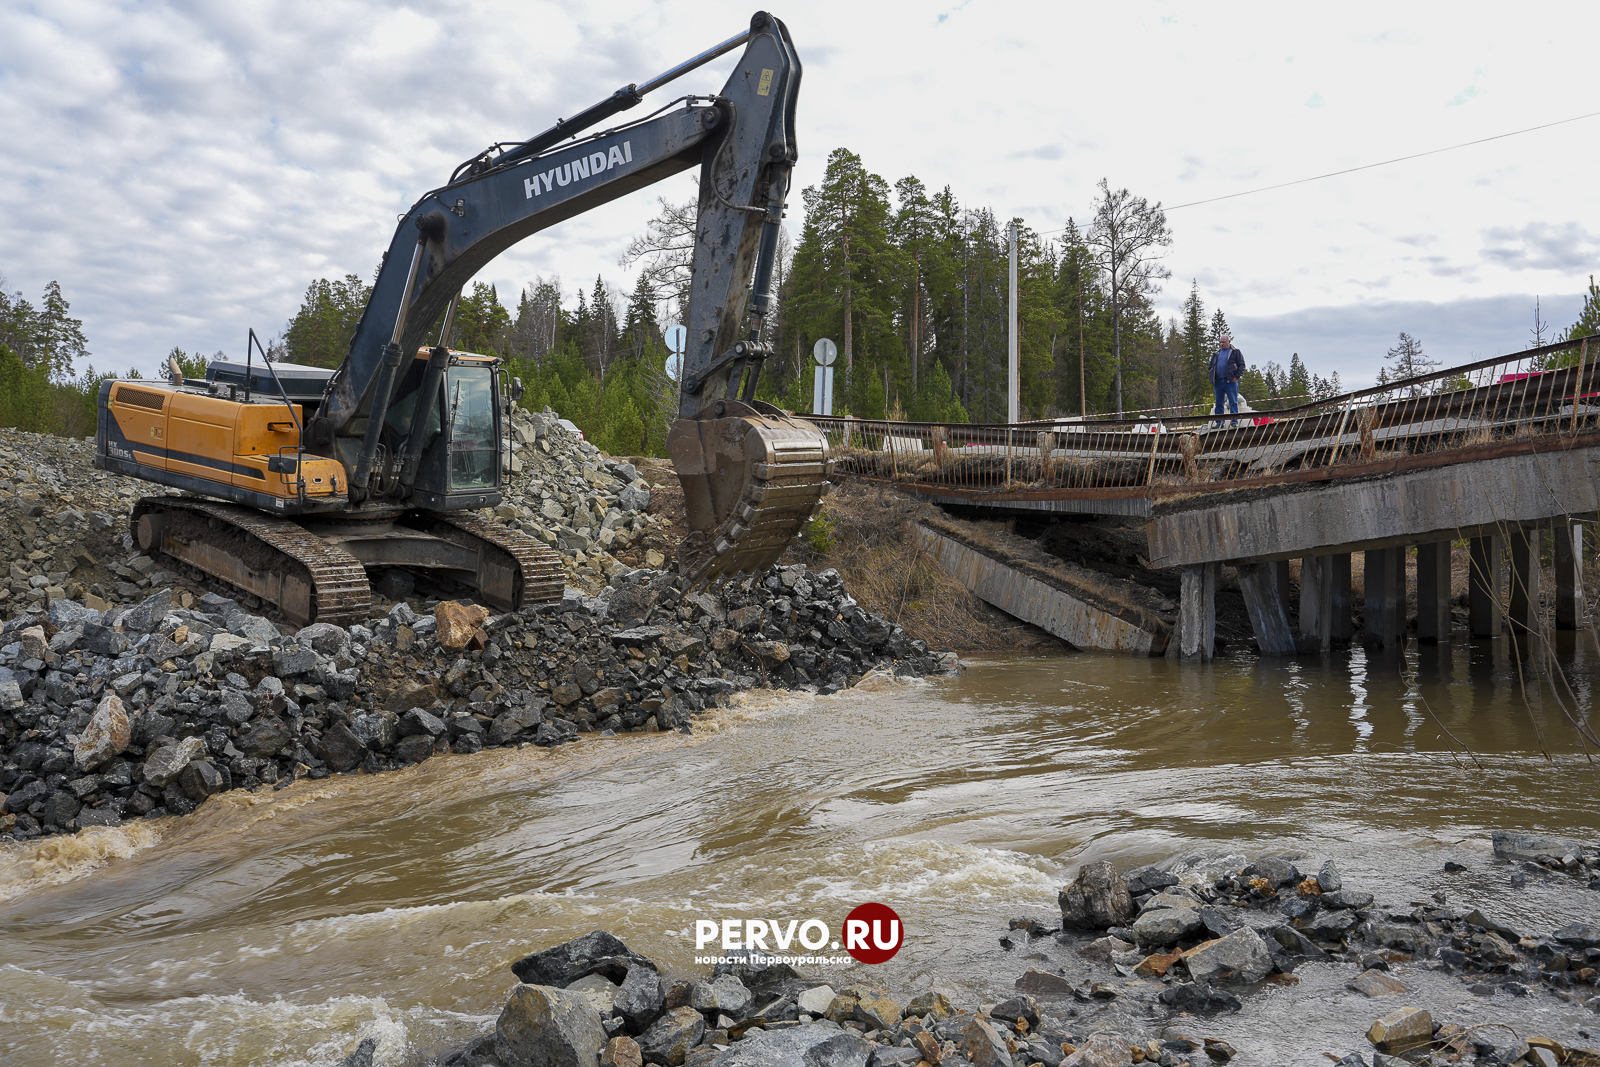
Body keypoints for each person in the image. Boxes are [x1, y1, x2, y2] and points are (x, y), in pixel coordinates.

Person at [1209, 334, 1246, 427]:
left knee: (1233, 401)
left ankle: (1234, 422)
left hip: (1230, 382)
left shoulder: (1235, 352)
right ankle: (1219, 422)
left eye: (1224, 342)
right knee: (1219, 403)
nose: (1222, 344)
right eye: (1220, 342)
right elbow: (1211, 367)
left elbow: (1242, 365)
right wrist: (1212, 377)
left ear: (1229, 342)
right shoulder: (1216, 354)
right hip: (1218, 382)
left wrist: (1236, 377)